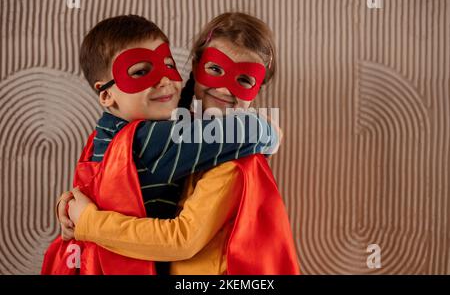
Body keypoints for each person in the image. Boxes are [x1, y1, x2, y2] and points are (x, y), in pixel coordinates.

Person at [41, 14, 279, 275]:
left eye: (168, 66)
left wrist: (73, 211)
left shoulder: (112, 128)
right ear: (107, 94)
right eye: (141, 72)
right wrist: (267, 131)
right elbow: (240, 132)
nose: (164, 80)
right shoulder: (152, 136)